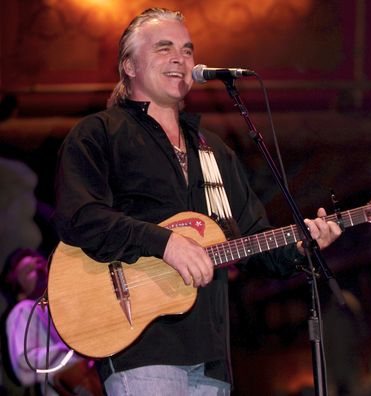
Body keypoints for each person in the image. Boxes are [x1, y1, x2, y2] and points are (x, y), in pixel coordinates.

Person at [53, 8, 341, 395]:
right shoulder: (100, 134)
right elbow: (80, 216)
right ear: (129, 66)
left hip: (212, 355)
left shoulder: (215, 152)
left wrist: (301, 245)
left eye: (187, 50)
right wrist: (164, 243)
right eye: (164, 48)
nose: (180, 58)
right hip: (142, 348)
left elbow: (256, 239)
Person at [0, 248, 103, 395]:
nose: (39, 268)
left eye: (40, 263)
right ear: (20, 294)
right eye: (29, 270)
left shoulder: (65, 306)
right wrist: (74, 352)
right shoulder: (23, 310)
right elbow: (24, 364)